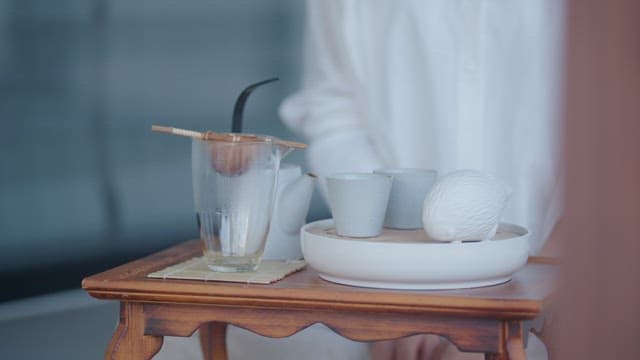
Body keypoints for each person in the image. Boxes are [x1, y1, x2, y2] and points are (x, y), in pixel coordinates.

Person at [156, 1, 564, 359]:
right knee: (181, 338)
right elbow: (333, 109)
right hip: (389, 280)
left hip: (563, 278)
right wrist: (396, 296)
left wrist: (519, 312)